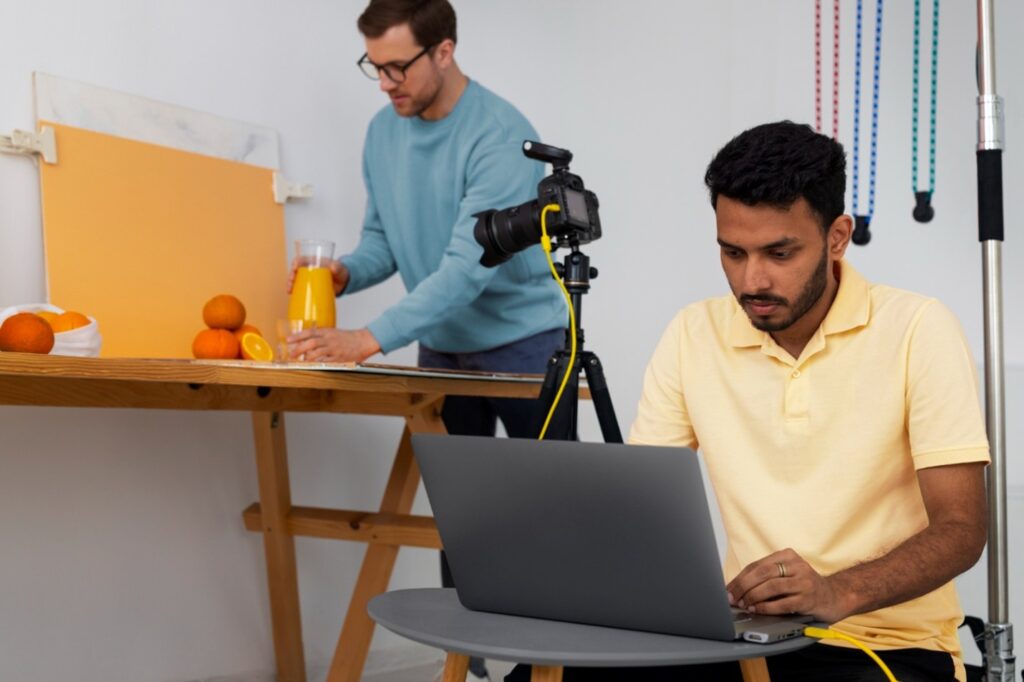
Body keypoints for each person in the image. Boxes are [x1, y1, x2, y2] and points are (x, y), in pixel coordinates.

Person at [509, 121, 990, 682]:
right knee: (539, 675)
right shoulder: (694, 333)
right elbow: (641, 510)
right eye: (732, 252)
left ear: (838, 237)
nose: (752, 280)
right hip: (743, 637)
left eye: (779, 252)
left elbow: (961, 528)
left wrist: (839, 590)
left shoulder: (917, 329)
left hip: (885, 647)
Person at [287, 0, 566, 443]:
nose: (383, 83)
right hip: (441, 342)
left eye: (396, 67)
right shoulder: (383, 132)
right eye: (375, 66)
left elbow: (465, 270)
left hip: (524, 344)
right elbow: (383, 238)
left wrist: (367, 339)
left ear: (443, 52)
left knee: (554, 498)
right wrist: (348, 273)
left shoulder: (501, 136)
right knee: (460, 501)